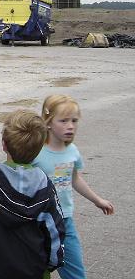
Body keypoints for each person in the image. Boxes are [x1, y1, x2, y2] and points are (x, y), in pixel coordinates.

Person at [0, 110, 65, 279]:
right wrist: (53, 263)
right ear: (38, 150)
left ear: (4, 144)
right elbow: (55, 231)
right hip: (35, 271)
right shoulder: (45, 186)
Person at [32, 95, 115, 279]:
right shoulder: (35, 152)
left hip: (64, 222)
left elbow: (75, 179)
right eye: (63, 120)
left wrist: (97, 200)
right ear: (48, 122)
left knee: (76, 274)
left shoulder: (72, 152)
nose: (70, 125)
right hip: (37, 223)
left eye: (74, 121)